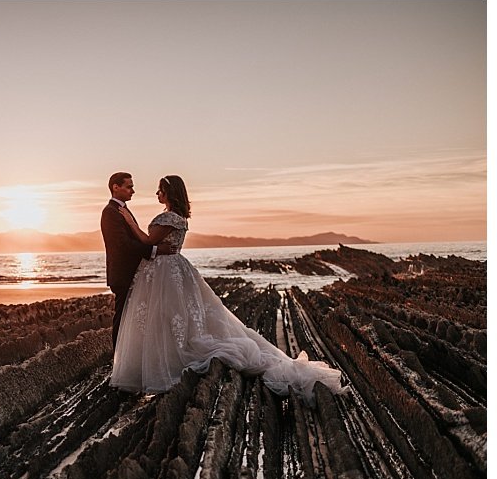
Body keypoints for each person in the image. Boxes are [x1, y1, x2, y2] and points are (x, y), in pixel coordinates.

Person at [109, 175, 344, 404]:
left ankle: (168, 362)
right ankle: (163, 358)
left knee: (172, 316)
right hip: (169, 269)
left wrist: (130, 224)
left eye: (160, 190)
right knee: (175, 316)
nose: (157, 193)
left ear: (169, 192)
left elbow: (148, 241)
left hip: (166, 270)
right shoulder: (177, 216)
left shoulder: (170, 217)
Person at [101, 172, 174, 352]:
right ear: (115, 187)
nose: (133, 190)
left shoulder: (123, 210)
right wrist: (156, 251)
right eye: (129, 186)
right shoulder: (110, 212)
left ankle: (130, 354)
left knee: (132, 318)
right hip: (123, 274)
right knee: (122, 317)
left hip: (133, 273)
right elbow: (123, 244)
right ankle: (118, 358)